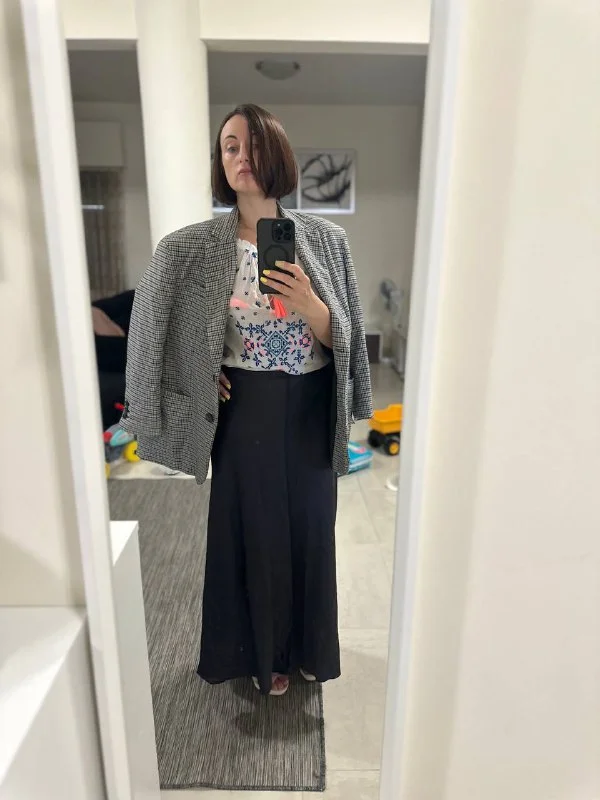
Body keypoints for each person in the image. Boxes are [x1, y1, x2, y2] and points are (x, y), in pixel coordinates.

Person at [121, 104, 373, 696]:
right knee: (255, 531)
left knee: (312, 527)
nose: (241, 157)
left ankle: (308, 647)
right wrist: (196, 371)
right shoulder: (189, 248)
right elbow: (153, 328)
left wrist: (312, 306)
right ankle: (263, 656)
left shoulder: (325, 241)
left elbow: (349, 335)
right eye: (230, 147)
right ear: (221, 162)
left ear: (277, 155)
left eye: (253, 145)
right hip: (244, 407)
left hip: (311, 404)